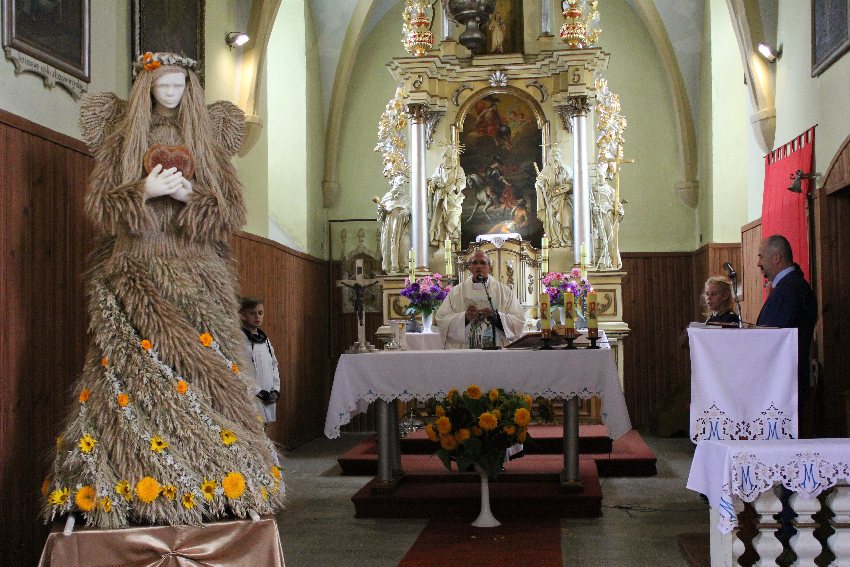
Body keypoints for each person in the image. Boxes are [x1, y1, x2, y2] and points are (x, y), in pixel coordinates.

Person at [43, 52, 283, 529]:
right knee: (131, 375)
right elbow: (102, 206)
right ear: (147, 87)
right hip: (137, 270)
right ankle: (123, 483)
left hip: (198, 275)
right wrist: (145, 192)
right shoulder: (123, 138)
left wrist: (190, 196)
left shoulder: (206, 140)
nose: (170, 94)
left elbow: (231, 210)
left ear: (190, 88)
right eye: (162, 86)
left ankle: (223, 479)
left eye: (178, 86)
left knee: (209, 375)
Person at [756, 235, 818, 402]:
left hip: (785, 384)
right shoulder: (789, 286)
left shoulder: (790, 289)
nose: (758, 263)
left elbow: (773, 335)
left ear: (776, 258)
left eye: (761, 256)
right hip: (785, 381)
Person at [435, 250, 525, 348]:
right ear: (469, 267)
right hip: (466, 351)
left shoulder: (504, 292)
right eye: (474, 263)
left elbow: (519, 320)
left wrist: (497, 318)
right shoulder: (456, 292)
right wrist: (465, 318)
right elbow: (442, 319)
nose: (478, 266)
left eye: (482, 263)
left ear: (489, 267)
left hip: (496, 349)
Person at [240, 298, 281, 426]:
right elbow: (240, 369)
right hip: (251, 395)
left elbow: (274, 365)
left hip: (268, 395)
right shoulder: (240, 339)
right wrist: (257, 391)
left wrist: (275, 390)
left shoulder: (265, 340)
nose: (257, 317)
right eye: (252, 313)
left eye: (260, 313)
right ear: (243, 315)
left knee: (264, 427)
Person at [428, 145, 466, 246]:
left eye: (452, 157)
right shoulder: (440, 168)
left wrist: (454, 187)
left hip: (453, 199)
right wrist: (432, 184)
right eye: (448, 157)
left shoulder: (458, 169)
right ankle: (441, 245)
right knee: (440, 221)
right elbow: (435, 179)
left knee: (452, 220)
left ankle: (453, 244)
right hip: (440, 198)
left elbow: (463, 182)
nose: (451, 159)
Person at [535, 148, 573, 247]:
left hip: (564, 200)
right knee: (553, 222)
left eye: (557, 155)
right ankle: (555, 241)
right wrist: (540, 184)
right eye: (552, 156)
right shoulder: (545, 171)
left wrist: (569, 186)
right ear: (549, 158)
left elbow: (573, 183)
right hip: (551, 201)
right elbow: (541, 185)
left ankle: (566, 239)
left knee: (566, 218)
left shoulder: (567, 170)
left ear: (560, 157)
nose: (555, 158)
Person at [375, 174, 411, 273]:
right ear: (394, 182)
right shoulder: (387, 197)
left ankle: (404, 265)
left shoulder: (406, 198)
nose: (402, 184)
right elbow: (380, 215)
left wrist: (407, 211)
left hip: (401, 226)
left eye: (403, 183)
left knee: (404, 244)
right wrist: (381, 209)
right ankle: (391, 266)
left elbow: (411, 209)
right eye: (400, 181)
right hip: (390, 225)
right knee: (389, 244)